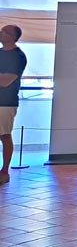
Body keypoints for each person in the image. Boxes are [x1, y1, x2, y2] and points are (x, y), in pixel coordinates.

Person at [0, 24, 27, 186]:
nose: (1, 32)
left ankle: (4, 171)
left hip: (5, 103)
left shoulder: (18, 56)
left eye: (5, 31)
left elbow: (5, 81)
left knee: (4, 135)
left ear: (13, 37)